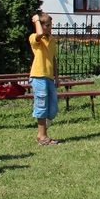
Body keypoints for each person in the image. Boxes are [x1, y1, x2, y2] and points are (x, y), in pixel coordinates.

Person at [30, 13, 59, 146]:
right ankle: (43, 136)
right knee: (41, 106)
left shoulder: (52, 39)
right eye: (47, 25)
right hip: (38, 76)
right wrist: (36, 20)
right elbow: (40, 34)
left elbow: (53, 59)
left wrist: (56, 77)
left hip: (49, 77)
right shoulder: (35, 38)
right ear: (41, 26)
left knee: (53, 108)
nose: (50, 28)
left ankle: (41, 134)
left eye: (50, 25)